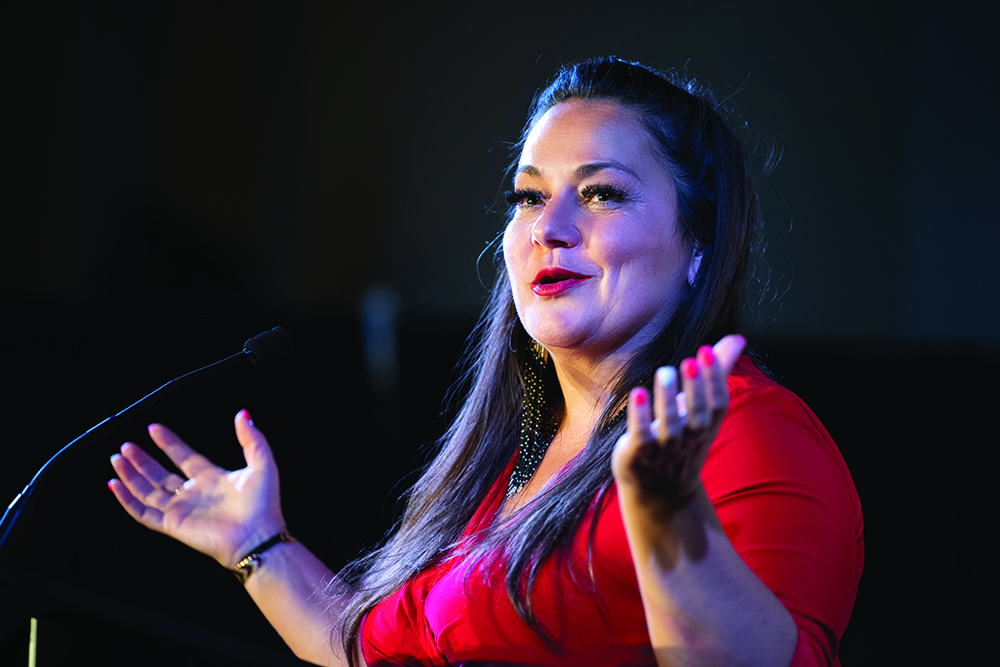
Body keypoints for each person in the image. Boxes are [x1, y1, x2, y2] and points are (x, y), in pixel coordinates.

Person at [108, 57, 863, 666]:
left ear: (699, 243)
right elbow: (376, 651)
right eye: (528, 197)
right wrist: (258, 544)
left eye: (602, 194)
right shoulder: (515, 457)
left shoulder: (751, 436)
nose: (549, 228)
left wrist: (668, 522)